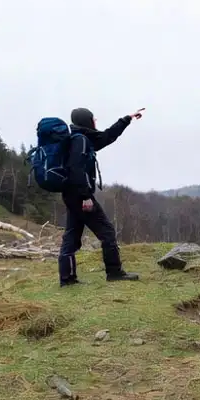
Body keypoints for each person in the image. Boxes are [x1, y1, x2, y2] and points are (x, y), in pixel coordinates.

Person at [58, 106, 145, 286]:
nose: (95, 122)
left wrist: (126, 119)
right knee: (107, 232)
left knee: (72, 235)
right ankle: (114, 272)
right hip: (79, 195)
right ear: (86, 120)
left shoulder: (80, 138)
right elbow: (76, 170)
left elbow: (107, 136)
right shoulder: (80, 141)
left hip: (70, 194)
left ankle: (67, 279)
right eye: (93, 119)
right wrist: (85, 197)